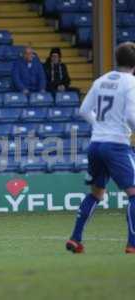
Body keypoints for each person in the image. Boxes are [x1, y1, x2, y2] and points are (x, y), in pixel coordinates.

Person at [66, 42, 135, 254]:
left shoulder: (101, 80)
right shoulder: (131, 83)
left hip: (96, 144)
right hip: (116, 145)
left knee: (96, 192)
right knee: (133, 194)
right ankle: (132, 244)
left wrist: (100, 127)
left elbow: (84, 110)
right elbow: (131, 117)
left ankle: (75, 239)